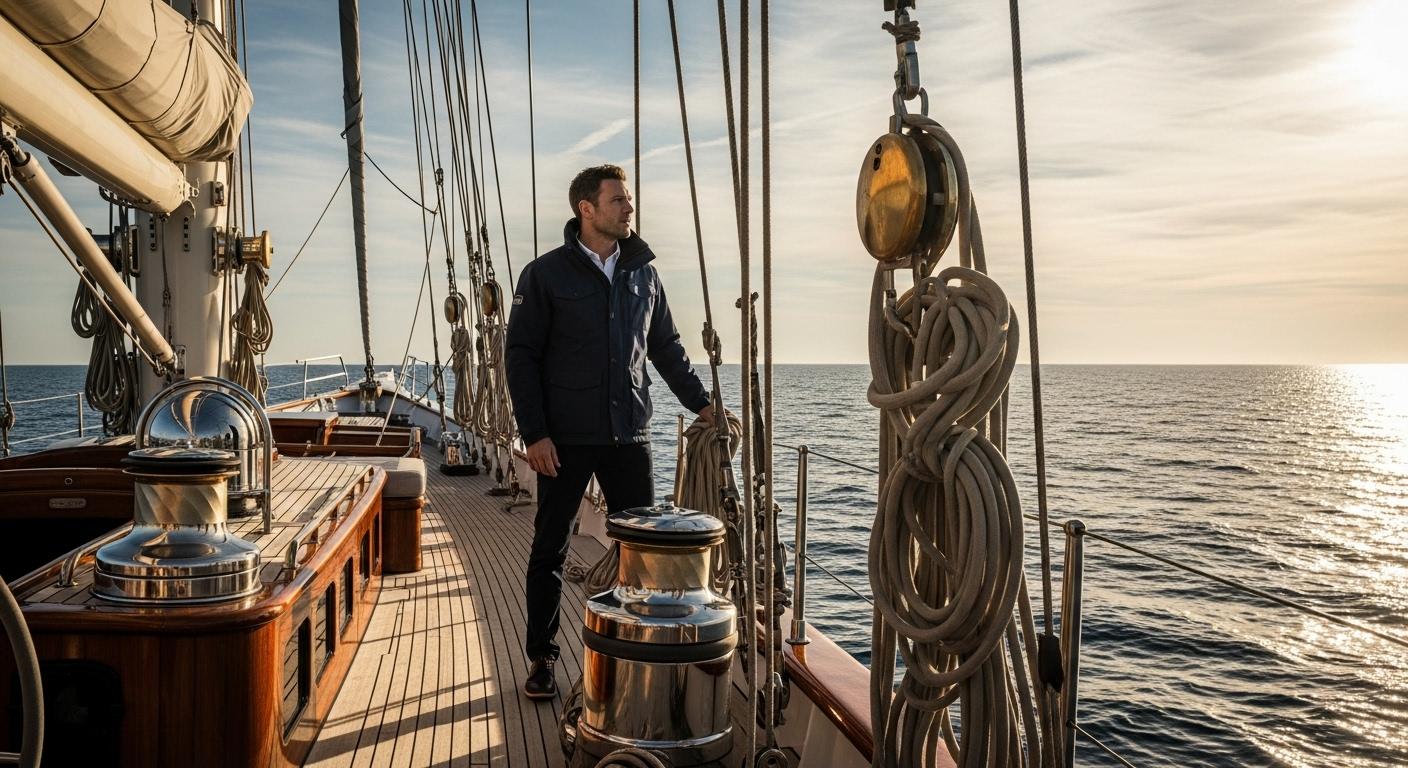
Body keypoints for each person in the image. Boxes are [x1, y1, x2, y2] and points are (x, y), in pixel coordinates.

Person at [505, 164, 714, 700]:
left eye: (628, 199)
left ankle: (630, 657)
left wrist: (702, 405)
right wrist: (535, 434)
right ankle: (542, 658)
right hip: (564, 441)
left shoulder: (644, 274)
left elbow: (665, 348)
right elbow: (521, 357)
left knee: (640, 554)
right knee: (550, 549)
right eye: (618, 199)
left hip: (629, 437)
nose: (629, 207)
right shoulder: (545, 275)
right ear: (587, 209)